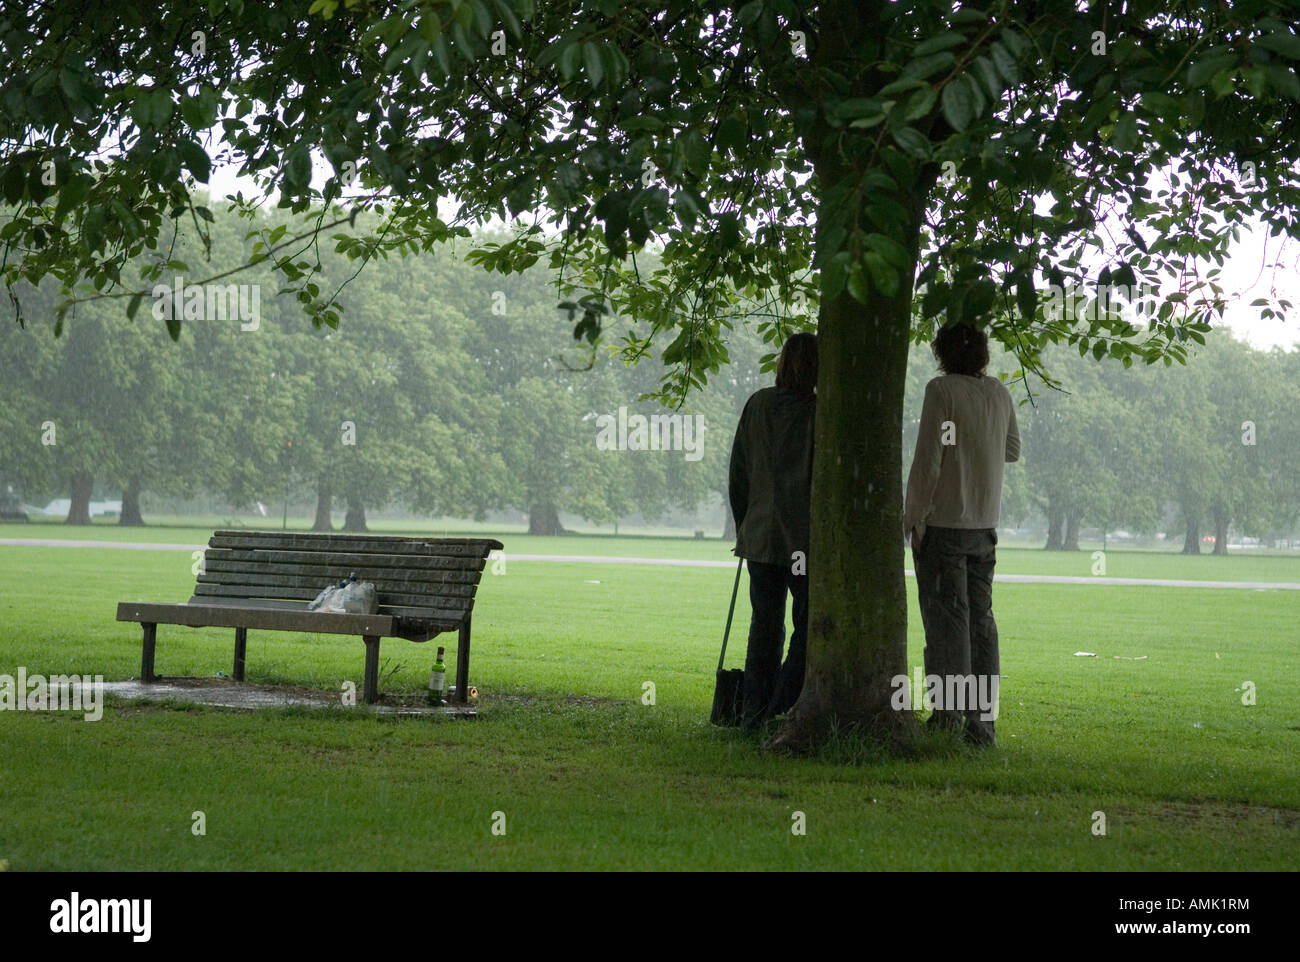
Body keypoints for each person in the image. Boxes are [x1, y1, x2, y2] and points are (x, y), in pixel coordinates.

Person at [904, 322, 1020, 745]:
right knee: (980, 623)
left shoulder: (941, 391)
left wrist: (913, 516)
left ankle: (949, 716)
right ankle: (981, 723)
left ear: (942, 353)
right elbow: (1012, 450)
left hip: (944, 524)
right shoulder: (1000, 394)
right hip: (984, 527)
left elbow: (928, 459)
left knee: (946, 625)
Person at [728, 332, 817, 730]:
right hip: (803, 542)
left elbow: (739, 473)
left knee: (763, 625)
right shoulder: (819, 412)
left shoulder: (758, 404)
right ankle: (781, 706)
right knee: (809, 625)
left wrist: (745, 523)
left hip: (761, 536)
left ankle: (752, 710)